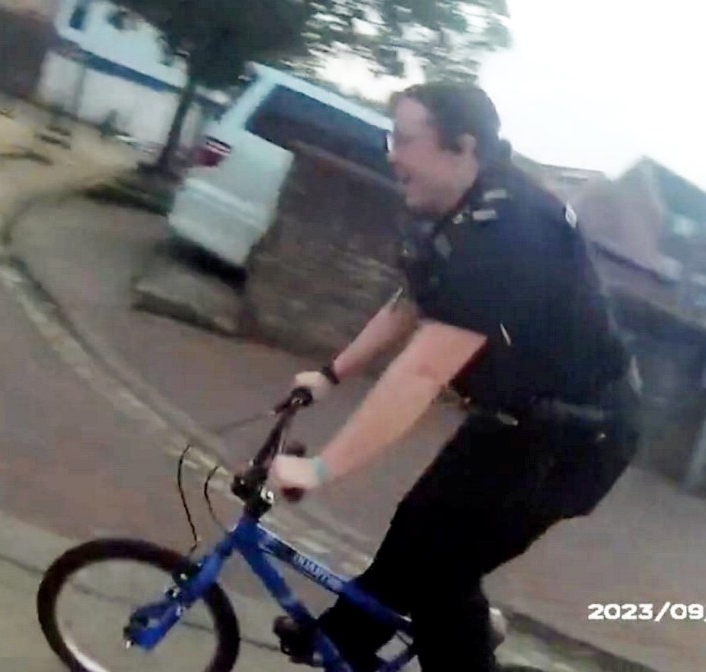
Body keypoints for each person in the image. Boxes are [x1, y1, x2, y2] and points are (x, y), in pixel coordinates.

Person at [268, 82, 642, 672]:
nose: (393, 153)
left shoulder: (511, 230)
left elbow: (420, 371)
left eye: (407, 141)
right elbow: (407, 305)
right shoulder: (447, 215)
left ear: (462, 146)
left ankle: (432, 648)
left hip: (576, 441)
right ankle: (345, 641)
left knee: (441, 575)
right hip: (514, 420)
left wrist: (319, 469)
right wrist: (328, 374)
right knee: (418, 525)